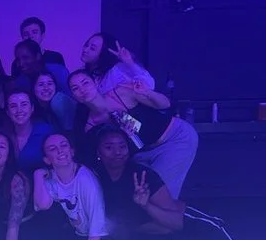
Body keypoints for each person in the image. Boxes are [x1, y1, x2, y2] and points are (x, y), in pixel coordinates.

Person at [69, 70, 198, 199]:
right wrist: (127, 137)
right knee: (139, 192)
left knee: (159, 192)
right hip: (142, 154)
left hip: (174, 138)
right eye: (75, 88)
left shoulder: (121, 93)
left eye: (85, 83)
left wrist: (147, 92)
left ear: (96, 82)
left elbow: (165, 104)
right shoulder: (91, 126)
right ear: (73, 96)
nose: (82, 90)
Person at [33, 132, 107, 240]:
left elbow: (98, 223)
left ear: (72, 151)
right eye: (53, 149)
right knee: (47, 214)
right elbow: (43, 205)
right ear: (47, 159)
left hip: (97, 237)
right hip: (75, 233)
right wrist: (37, 175)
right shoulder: (51, 178)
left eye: (63, 145)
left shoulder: (86, 179)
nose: (60, 151)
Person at [95, 128, 185, 240]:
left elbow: (177, 223)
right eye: (109, 147)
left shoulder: (142, 175)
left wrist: (146, 205)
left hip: (175, 238)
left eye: (122, 146)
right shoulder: (92, 176)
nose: (117, 152)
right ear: (98, 152)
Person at [80, 32, 155, 94]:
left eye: (92, 48)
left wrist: (129, 62)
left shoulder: (117, 70)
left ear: (104, 53)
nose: (85, 50)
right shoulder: (87, 72)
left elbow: (149, 85)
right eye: (86, 45)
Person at [6, 90, 55, 176]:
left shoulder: (46, 131)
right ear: (8, 112)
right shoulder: (2, 136)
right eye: (13, 106)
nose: (19, 110)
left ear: (32, 108)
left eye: (24, 104)